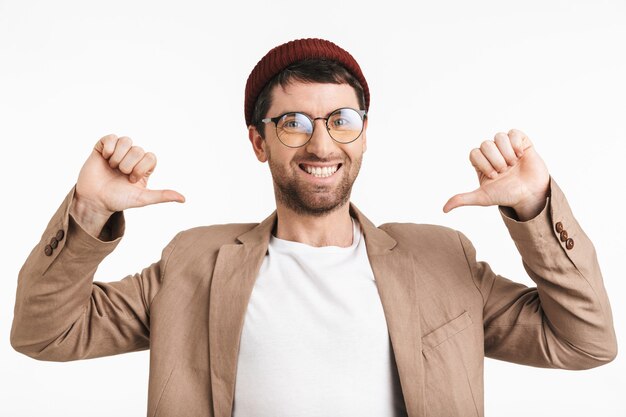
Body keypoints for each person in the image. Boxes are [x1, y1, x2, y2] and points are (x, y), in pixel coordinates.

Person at [11, 38, 617, 417]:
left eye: (342, 119)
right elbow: (45, 334)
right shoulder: (194, 261)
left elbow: (585, 343)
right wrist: (89, 214)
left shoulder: (442, 259)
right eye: (294, 122)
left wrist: (536, 209)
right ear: (259, 141)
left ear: (363, 133)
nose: (321, 142)